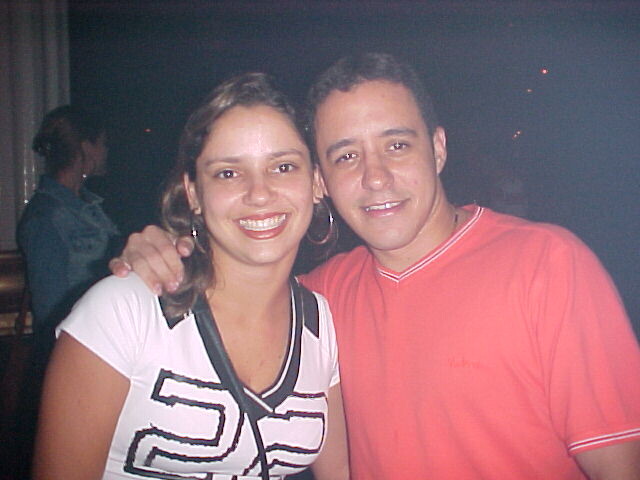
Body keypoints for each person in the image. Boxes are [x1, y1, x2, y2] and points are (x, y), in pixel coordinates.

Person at [110, 53, 640, 479]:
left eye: (397, 145)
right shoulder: (320, 300)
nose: (375, 177)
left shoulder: (547, 267)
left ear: (437, 149)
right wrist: (166, 251)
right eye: (346, 156)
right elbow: (227, 295)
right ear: (320, 182)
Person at [33, 74, 349, 479]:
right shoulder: (123, 311)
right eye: (228, 173)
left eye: (283, 166)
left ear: (316, 182)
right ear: (194, 193)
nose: (259, 193)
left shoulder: (320, 323)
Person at [10, 105, 122, 479]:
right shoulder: (47, 216)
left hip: (108, 346)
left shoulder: (88, 208)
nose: (106, 152)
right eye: (102, 143)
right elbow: (50, 312)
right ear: (86, 148)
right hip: (78, 360)